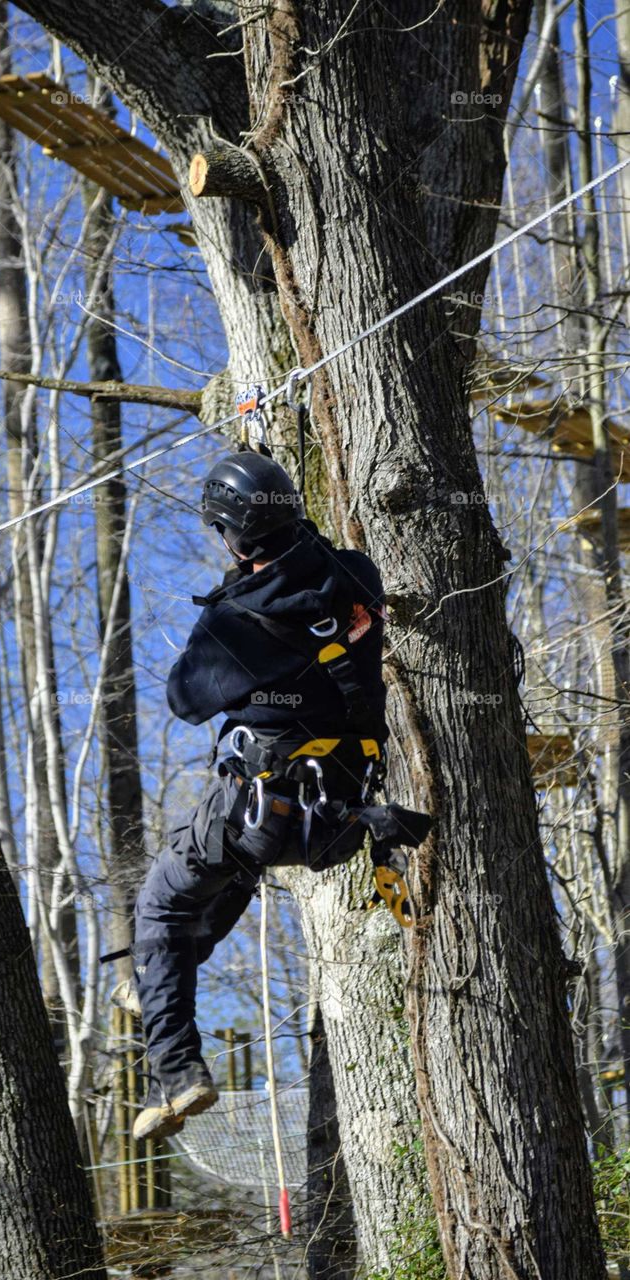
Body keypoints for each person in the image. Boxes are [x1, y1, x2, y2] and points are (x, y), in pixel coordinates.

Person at [129, 449, 429, 1142]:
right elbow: (315, 568)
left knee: (162, 905)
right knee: (223, 875)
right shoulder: (357, 574)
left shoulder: (235, 623)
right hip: (342, 813)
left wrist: (232, 616)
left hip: (264, 810)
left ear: (230, 535)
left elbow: (182, 699)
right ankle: (158, 980)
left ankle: (177, 1073)